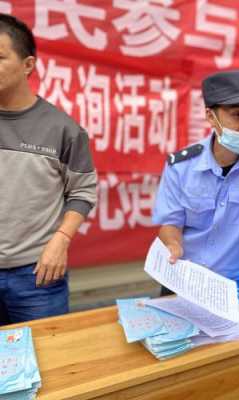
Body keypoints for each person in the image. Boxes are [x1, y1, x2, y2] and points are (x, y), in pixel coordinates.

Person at [152, 70, 239, 325]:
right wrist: (173, 244)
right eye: (238, 115)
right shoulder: (181, 165)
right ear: (211, 116)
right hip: (184, 278)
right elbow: (170, 222)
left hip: (235, 282)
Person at [0, 14, 97, 325]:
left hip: (36, 276)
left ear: (28, 65)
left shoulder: (62, 129)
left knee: (44, 364)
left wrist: (61, 240)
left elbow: (82, 191)